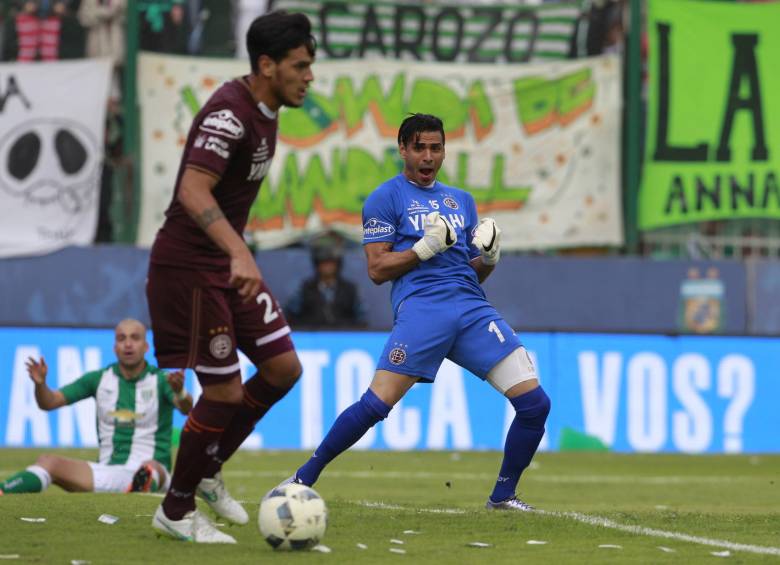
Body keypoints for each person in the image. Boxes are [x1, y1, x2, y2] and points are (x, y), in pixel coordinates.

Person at [283, 114, 551, 511]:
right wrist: (423, 249)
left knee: (535, 405)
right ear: (403, 149)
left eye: (436, 147)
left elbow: (471, 272)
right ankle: (304, 475)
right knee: (376, 404)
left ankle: (503, 495)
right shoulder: (385, 198)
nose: (428, 156)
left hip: (472, 308)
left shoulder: (461, 200)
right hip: (423, 310)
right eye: (420, 147)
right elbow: (377, 269)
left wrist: (491, 257)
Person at [145, 10, 315, 544]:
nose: (310, 76)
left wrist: (235, 256)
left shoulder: (269, 108)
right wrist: (239, 254)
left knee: (283, 368)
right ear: (266, 65)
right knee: (222, 394)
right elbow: (192, 191)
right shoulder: (229, 114)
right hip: (189, 267)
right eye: (300, 66)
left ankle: (209, 467)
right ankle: (175, 509)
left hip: (223, 263)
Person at [0, 318, 192, 495]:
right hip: (110, 473)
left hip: (156, 471)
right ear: (115, 347)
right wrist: (40, 385)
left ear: (146, 346)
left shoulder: (161, 380)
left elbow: (186, 407)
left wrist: (180, 392)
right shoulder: (98, 379)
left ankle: (142, 485)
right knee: (48, 462)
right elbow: (49, 403)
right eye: (121, 338)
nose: (128, 344)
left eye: (134, 338)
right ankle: (3, 492)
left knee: (150, 468)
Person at [284, 232, 367, 328]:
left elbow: (362, 319)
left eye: (331, 262)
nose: (327, 267)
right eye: (323, 262)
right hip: (311, 339)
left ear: (338, 264)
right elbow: (290, 315)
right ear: (317, 264)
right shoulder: (305, 288)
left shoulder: (350, 289)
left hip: (343, 339)